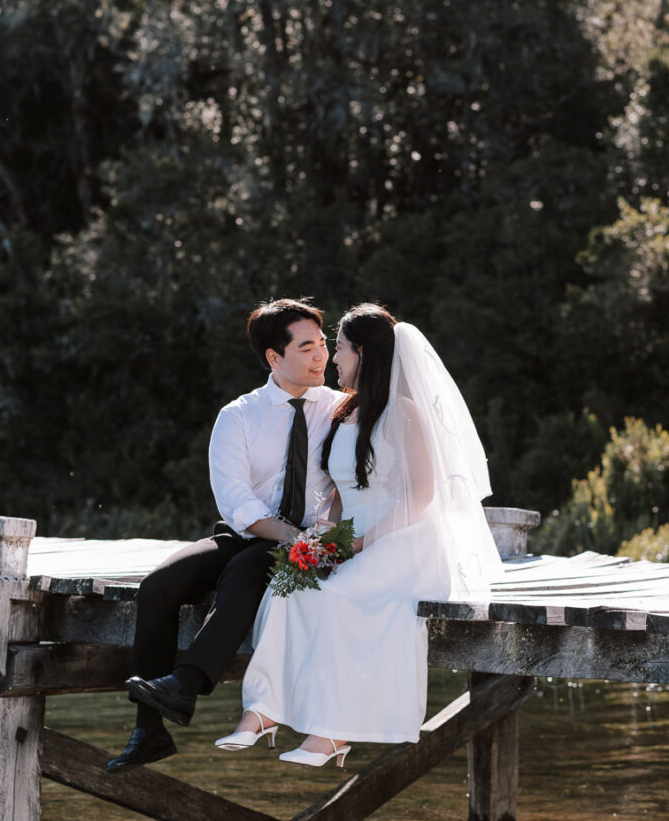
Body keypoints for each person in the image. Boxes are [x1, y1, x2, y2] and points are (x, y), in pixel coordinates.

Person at [215, 304, 505, 767]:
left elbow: (421, 497)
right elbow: (338, 490)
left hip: (405, 538)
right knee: (287, 592)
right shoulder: (345, 410)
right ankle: (264, 709)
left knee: (333, 597)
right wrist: (325, 538)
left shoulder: (404, 413)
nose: (332, 360)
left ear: (364, 353)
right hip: (355, 535)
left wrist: (360, 545)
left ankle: (334, 732)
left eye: (341, 349)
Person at [106, 298, 344, 772]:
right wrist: (289, 536)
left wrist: (312, 541)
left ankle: (186, 685)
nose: (321, 357)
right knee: (158, 586)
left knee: (247, 567)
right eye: (307, 348)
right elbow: (238, 504)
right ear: (275, 358)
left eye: (323, 345)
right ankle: (149, 731)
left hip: (313, 542)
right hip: (249, 533)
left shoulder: (341, 410)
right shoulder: (238, 416)